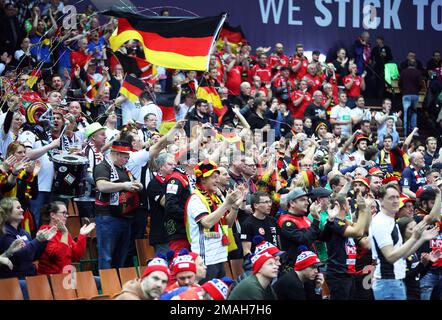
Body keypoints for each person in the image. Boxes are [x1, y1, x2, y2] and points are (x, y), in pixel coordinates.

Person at [369, 184, 439, 300]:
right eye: (391, 198)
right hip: (388, 283)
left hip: (395, 282)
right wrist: (415, 237)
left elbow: (402, 255)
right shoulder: (381, 222)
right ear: (381, 200)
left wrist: (421, 238)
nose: (396, 201)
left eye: (397, 197)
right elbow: (390, 257)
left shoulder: (390, 221)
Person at [185, 160, 245, 281]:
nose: (218, 181)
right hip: (205, 259)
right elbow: (207, 223)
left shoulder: (215, 197)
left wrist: (234, 207)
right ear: (203, 179)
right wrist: (226, 204)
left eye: (218, 177)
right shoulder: (196, 198)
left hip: (220, 256)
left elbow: (228, 224)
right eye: (214, 177)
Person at [93, 140, 143, 269]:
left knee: (121, 255)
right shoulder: (102, 167)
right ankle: (107, 287)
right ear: (116, 154)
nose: (127, 160)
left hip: (124, 216)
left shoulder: (124, 169)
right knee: (107, 256)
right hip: (107, 217)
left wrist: (138, 185)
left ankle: (118, 284)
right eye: (125, 157)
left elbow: (133, 181)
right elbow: (102, 185)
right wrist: (124, 185)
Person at [324, 193, 371, 300]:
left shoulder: (345, 222)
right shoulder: (334, 223)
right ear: (343, 206)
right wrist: (363, 209)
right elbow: (358, 232)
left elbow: (365, 229)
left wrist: (367, 208)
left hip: (349, 273)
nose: (349, 205)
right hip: (338, 275)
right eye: (348, 203)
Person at [37, 201, 95, 274]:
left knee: (97, 281)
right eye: (63, 213)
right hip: (53, 278)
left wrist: (82, 235)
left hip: (67, 276)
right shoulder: (44, 231)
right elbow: (58, 256)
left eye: (66, 213)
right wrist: (64, 233)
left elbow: (76, 255)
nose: (66, 216)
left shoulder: (63, 231)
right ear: (52, 215)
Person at [399, 59, 423, 136]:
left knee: (406, 113)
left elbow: (400, 83)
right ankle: (414, 131)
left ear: (408, 64)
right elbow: (420, 84)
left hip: (406, 94)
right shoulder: (418, 72)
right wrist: (417, 91)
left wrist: (402, 90)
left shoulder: (403, 72)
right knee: (414, 113)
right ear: (415, 64)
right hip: (415, 95)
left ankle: (406, 132)